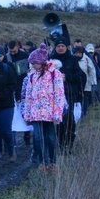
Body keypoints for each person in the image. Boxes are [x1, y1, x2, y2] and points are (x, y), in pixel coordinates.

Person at [21, 43, 65, 172]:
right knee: (37, 138)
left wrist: (57, 112)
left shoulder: (54, 74)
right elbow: (28, 95)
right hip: (35, 113)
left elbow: (59, 94)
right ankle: (42, 162)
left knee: (51, 138)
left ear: (41, 62)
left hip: (50, 113)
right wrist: (27, 113)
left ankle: (52, 162)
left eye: (35, 63)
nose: (33, 65)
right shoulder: (32, 76)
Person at [50, 37, 84, 154]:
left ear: (66, 47)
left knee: (69, 119)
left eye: (62, 46)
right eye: (58, 46)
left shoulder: (72, 59)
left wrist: (66, 78)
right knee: (58, 121)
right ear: (55, 47)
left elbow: (79, 76)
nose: (60, 48)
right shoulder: (51, 60)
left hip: (69, 94)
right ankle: (60, 145)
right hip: (54, 95)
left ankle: (69, 145)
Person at [73, 45, 96, 117]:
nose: (77, 54)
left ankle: (84, 114)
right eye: (76, 53)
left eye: (79, 53)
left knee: (85, 98)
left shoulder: (87, 59)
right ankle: (77, 114)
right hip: (76, 84)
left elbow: (92, 70)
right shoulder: (73, 59)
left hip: (86, 84)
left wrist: (93, 82)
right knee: (77, 99)